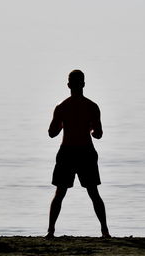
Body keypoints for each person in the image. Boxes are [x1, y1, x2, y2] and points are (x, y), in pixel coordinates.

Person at [46, 70, 110, 238]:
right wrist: (88, 129)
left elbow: (52, 133)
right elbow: (99, 134)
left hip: (68, 151)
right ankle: (105, 231)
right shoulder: (91, 106)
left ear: (69, 85)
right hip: (85, 152)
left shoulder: (62, 107)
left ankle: (50, 232)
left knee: (60, 193)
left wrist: (64, 124)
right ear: (83, 84)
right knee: (93, 193)